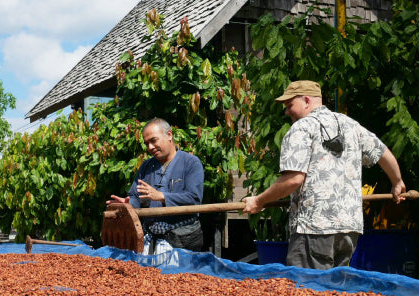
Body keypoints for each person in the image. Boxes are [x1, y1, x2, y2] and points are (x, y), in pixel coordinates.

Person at [242, 80, 406, 269]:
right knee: (334, 293)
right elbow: (382, 152)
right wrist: (397, 181)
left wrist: (258, 201)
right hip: (349, 229)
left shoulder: (301, 128)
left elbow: (293, 180)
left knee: (307, 293)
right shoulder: (351, 125)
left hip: (314, 228)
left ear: (306, 101)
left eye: (289, 106)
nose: (286, 112)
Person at [107, 117, 204, 255]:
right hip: (151, 237)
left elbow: (194, 199)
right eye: (147, 143)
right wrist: (128, 204)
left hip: (183, 240)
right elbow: (135, 196)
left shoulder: (191, 163)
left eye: (153, 141)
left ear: (169, 135)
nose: (150, 147)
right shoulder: (146, 166)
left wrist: (162, 196)